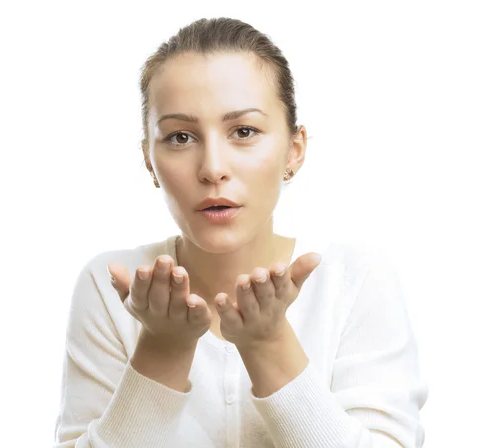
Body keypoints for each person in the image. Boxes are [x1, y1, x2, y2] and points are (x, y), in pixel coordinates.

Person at [53, 17, 428, 448]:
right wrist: (162, 349)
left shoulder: (355, 279)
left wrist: (269, 344)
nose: (213, 168)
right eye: (180, 137)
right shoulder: (114, 285)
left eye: (244, 131)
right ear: (148, 161)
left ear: (294, 149)